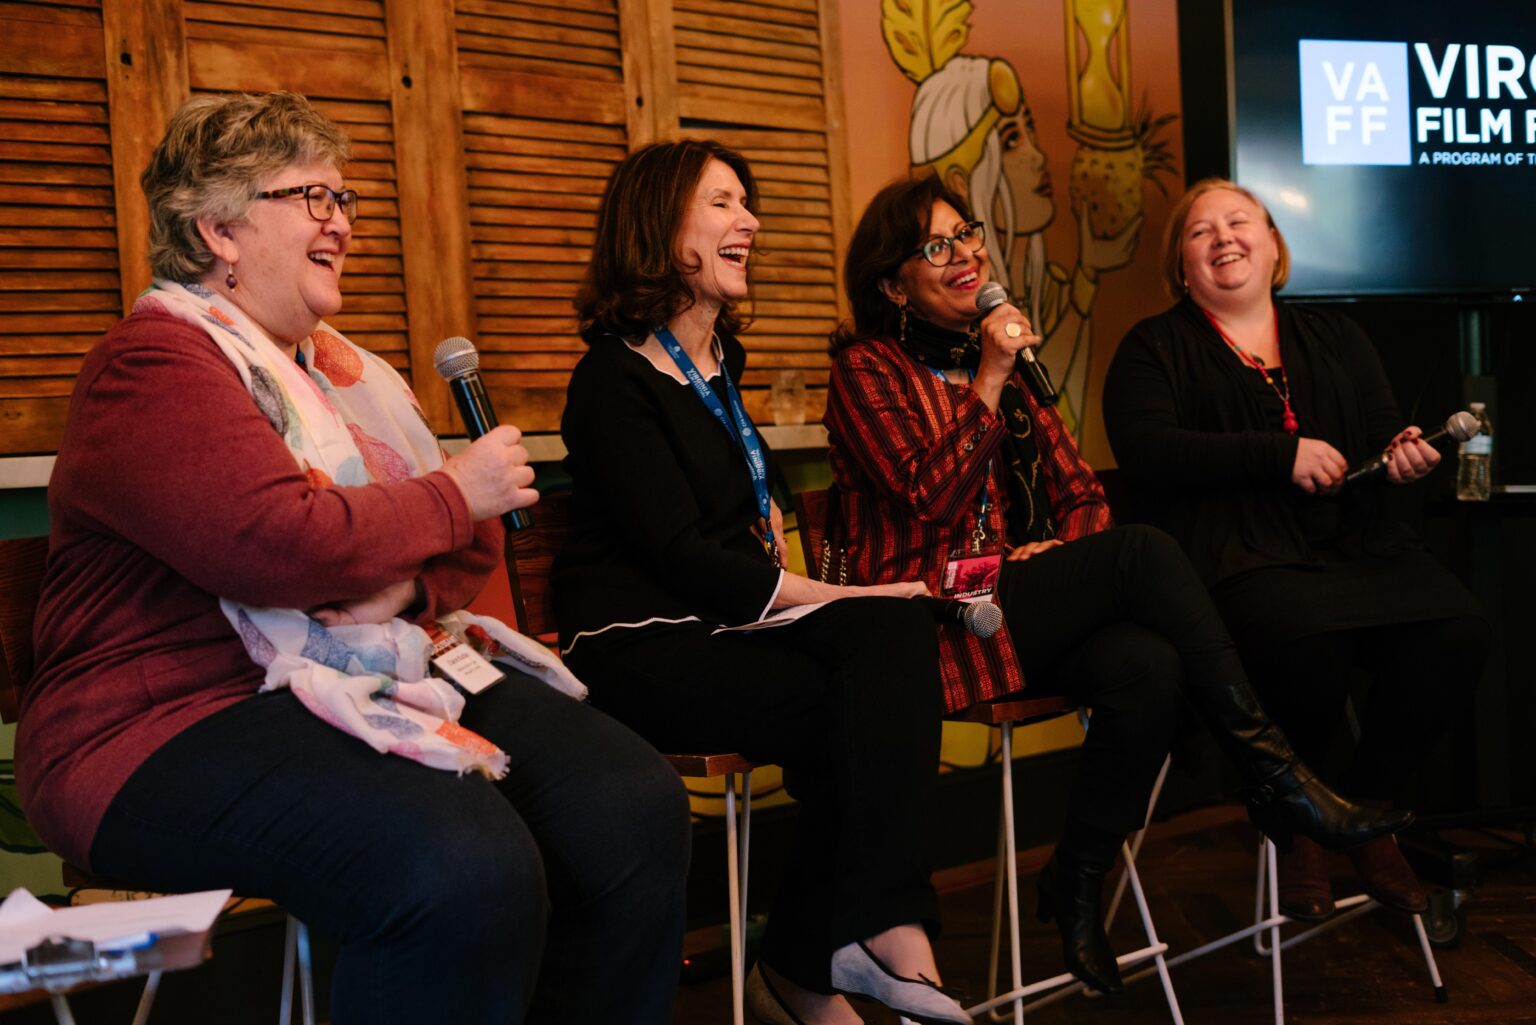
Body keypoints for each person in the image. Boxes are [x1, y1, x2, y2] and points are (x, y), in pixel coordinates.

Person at [14, 92, 691, 1025]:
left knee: (629, 803)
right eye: (311, 197)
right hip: (164, 723)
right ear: (219, 229)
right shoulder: (154, 365)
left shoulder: (343, 377)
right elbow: (281, 545)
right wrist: (444, 500)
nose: (340, 221)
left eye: (344, 198)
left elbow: (471, 538)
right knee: (459, 863)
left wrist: (403, 577)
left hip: (355, 672)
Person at [822, 174, 1410, 995]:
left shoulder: (1009, 368)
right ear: (893, 285)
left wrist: (1063, 552)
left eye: (967, 233)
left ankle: (1077, 872)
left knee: (1149, 667)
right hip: (931, 623)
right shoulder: (868, 371)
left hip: (1018, 608)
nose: (965, 254)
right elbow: (930, 495)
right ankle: (1280, 781)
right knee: (1143, 553)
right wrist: (990, 376)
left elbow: (1081, 493)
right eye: (936, 246)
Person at [552, 140, 969, 1025]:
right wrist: (851, 596)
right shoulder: (610, 380)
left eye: (747, 202)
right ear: (659, 227)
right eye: (723, 203)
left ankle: (831, 950)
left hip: (726, 627)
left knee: (876, 681)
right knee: (868, 679)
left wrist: (850, 595)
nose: (749, 221)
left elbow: (737, 541)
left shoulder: (721, 365)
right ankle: (833, 952)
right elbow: (686, 558)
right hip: (638, 645)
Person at [1102, 178, 1488, 922]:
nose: (1223, 238)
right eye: (1201, 231)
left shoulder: (1336, 334)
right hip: (1238, 553)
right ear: (1181, 265)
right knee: (1306, 640)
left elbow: (1379, 430)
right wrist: (1280, 455)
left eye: (1239, 222)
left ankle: (1361, 810)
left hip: (1355, 544)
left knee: (1459, 631)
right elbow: (1148, 452)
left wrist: (1402, 454)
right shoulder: (1152, 347)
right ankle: (1298, 823)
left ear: (1273, 243)